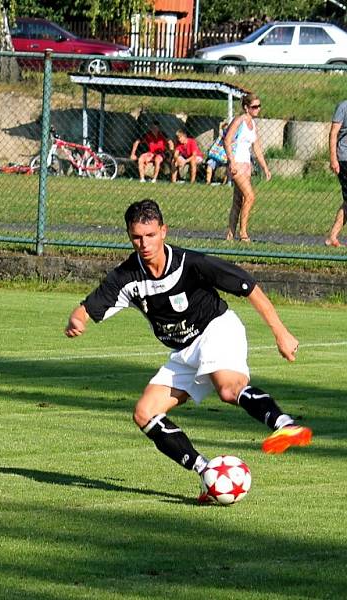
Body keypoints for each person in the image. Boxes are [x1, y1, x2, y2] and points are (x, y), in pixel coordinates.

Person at [64, 199, 312, 501]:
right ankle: (208, 473)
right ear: (130, 236)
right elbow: (88, 307)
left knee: (228, 389)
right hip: (183, 352)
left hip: (216, 330)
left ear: (163, 231)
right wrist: (77, 320)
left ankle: (286, 425)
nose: (144, 244)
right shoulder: (126, 276)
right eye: (137, 237)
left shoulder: (190, 264)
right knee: (145, 413)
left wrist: (281, 332)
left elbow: (247, 285)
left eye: (150, 235)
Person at [223, 93, 271, 242]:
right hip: (236, 163)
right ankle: (243, 233)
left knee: (238, 200)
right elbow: (227, 140)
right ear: (246, 107)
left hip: (246, 165)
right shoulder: (239, 121)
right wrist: (231, 161)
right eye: (254, 107)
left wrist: (265, 168)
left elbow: (256, 148)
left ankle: (230, 234)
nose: (257, 109)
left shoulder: (253, 124)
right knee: (250, 197)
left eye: (259, 106)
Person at [325, 99, 347, 247]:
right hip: (345, 158)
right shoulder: (343, 107)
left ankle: (332, 237)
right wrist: (333, 158)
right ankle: (332, 237)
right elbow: (333, 133)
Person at [205, 120, 229, 186]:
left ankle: (225, 183)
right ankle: (208, 181)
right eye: (224, 130)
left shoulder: (232, 140)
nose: (225, 131)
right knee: (210, 164)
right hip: (216, 157)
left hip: (226, 159)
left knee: (229, 166)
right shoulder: (219, 139)